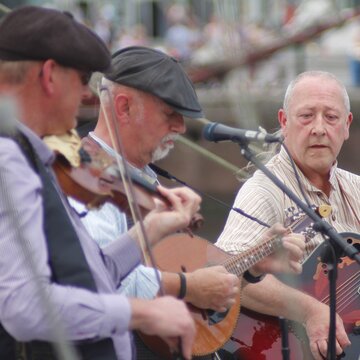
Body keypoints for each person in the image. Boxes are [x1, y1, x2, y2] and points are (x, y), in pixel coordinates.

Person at [74, 46, 306, 358]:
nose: (181, 128)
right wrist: (188, 286)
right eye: (170, 114)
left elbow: (176, 273)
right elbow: (99, 280)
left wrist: (251, 265)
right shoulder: (87, 178)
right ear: (124, 107)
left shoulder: (142, 177)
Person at [0, 6, 203, 360]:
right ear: (49, 76)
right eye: (81, 81)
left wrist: (151, 228)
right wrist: (146, 311)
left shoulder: (32, 155)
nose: (85, 97)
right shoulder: (9, 159)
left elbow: (90, 274)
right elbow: (24, 305)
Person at [216, 70, 360, 360]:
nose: (319, 128)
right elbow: (225, 274)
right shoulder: (263, 190)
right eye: (306, 116)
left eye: (331, 118)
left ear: (346, 126)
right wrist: (309, 311)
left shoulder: (356, 188)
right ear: (284, 122)